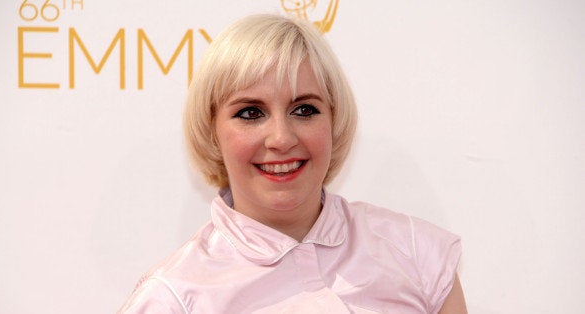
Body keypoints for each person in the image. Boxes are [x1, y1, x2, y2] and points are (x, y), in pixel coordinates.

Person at [119, 14, 467, 314]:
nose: (281, 138)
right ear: (212, 132)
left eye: (304, 110)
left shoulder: (417, 254)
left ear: (334, 120)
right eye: (250, 113)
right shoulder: (172, 298)